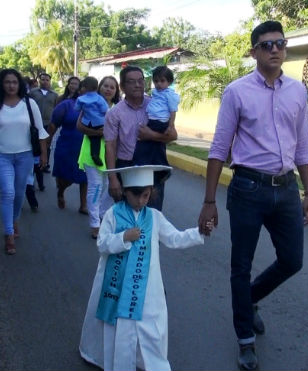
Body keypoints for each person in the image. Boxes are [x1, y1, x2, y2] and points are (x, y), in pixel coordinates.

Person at [197, 21, 308, 370]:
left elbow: (304, 146)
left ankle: (248, 300)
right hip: (248, 189)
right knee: (240, 266)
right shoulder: (236, 92)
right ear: (254, 52)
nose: (275, 49)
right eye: (266, 45)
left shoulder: (297, 91)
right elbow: (219, 147)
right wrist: (208, 201)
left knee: (293, 260)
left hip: (287, 188)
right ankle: (245, 340)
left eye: (280, 43)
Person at [79, 165, 209, 371]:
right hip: (117, 285)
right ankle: (115, 360)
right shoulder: (113, 214)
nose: (141, 201)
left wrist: (199, 233)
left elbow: (174, 238)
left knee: (149, 326)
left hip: (147, 286)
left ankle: (148, 362)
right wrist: (123, 237)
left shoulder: (154, 217)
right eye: (136, 196)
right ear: (125, 192)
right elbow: (102, 244)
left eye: (146, 196)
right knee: (118, 323)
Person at [0, 68, 49, 255]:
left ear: (19, 85)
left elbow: (40, 130)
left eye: (14, 82)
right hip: (1, 156)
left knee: (18, 193)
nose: (11, 85)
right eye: (7, 82)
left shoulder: (29, 104)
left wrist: (43, 154)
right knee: (7, 192)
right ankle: (8, 234)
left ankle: (14, 219)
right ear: (1, 84)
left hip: (24, 156)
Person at [104, 66, 177, 211]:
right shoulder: (114, 113)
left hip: (152, 167)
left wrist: (151, 135)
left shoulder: (156, 105)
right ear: (123, 86)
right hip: (127, 168)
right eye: (131, 81)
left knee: (152, 214)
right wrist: (112, 179)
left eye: (140, 81)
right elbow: (110, 146)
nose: (137, 85)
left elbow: (173, 135)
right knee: (126, 216)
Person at [77, 76, 121, 239]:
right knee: (95, 187)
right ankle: (95, 223)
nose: (108, 89)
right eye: (105, 86)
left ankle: (102, 213)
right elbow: (79, 126)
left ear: (116, 91)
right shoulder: (90, 103)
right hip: (91, 152)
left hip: (113, 154)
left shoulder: (119, 108)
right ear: (99, 87)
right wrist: (99, 133)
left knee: (112, 188)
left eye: (112, 87)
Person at [132, 66, 179, 181]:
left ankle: (162, 169)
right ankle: (155, 167)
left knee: (146, 143)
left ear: (169, 82)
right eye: (156, 81)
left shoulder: (170, 94)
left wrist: (170, 126)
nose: (159, 84)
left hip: (160, 123)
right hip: (153, 121)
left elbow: (173, 111)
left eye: (162, 81)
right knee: (152, 145)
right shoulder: (156, 93)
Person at [48, 77, 88, 214]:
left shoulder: (96, 106)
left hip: (86, 148)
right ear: (80, 90)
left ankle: (83, 205)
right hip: (67, 146)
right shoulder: (67, 104)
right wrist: (47, 143)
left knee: (85, 177)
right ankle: (61, 191)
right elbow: (54, 123)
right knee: (67, 178)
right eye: (85, 88)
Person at [74, 76, 109, 166]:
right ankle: (96, 154)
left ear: (84, 87)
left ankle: (95, 154)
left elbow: (76, 108)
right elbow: (104, 110)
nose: (108, 89)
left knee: (94, 139)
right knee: (99, 136)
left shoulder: (81, 99)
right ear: (97, 87)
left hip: (87, 123)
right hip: (99, 122)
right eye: (106, 86)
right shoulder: (99, 98)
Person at [29, 72, 60, 173]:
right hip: (34, 124)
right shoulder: (32, 92)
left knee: (47, 144)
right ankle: (33, 164)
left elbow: (56, 109)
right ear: (39, 80)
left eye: (47, 80)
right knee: (33, 143)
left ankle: (45, 164)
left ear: (50, 81)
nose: (45, 82)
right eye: (43, 79)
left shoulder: (55, 95)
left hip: (48, 124)